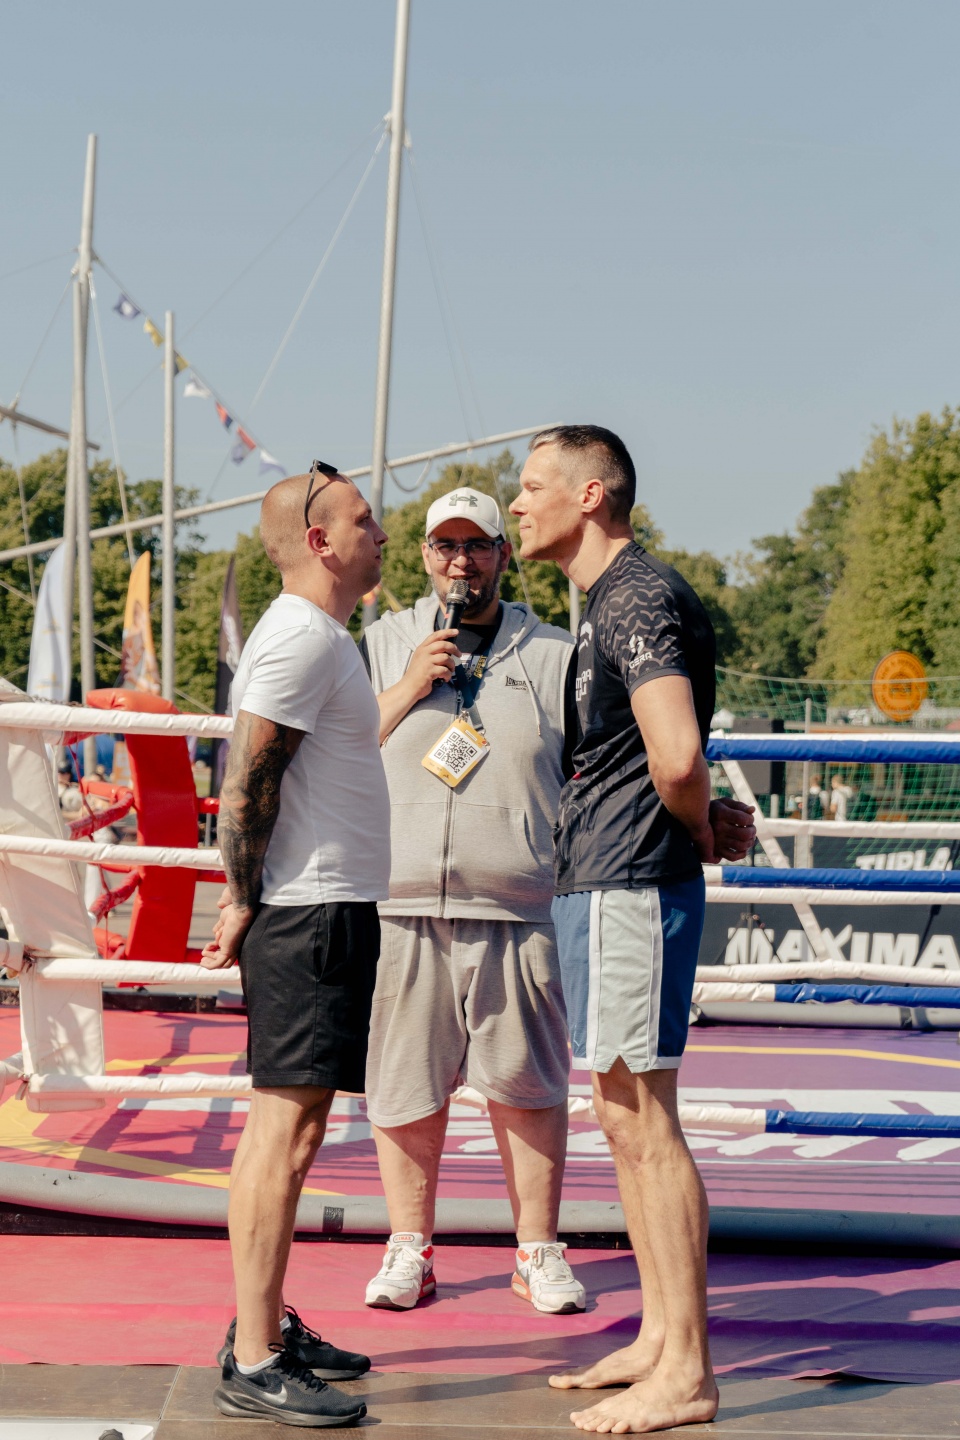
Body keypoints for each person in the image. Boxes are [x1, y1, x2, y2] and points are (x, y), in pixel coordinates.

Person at [509, 426, 756, 1435]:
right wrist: (695, 819)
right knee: (620, 1114)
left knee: (645, 1121)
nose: (516, 503)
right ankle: (660, 1339)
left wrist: (693, 826)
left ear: (591, 495)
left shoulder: (638, 597)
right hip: (604, 881)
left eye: (533, 485)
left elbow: (678, 753)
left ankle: (687, 1372)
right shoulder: (607, 602)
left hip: (630, 884)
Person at [358, 485, 585, 1315]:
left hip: (519, 906)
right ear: (424, 555)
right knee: (402, 1086)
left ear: (503, 554)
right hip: (401, 902)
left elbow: (596, 770)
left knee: (529, 1087)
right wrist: (408, 685)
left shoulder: (555, 655)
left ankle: (538, 1251)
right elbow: (339, 751)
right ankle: (409, 1248)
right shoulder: (383, 643)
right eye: (446, 545)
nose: (461, 562)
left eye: (477, 545)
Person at [201, 462, 389, 1429]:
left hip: (330, 905)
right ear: (320, 541)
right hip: (307, 912)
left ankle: (264, 1322)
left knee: (299, 1128)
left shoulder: (321, 636)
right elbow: (246, 779)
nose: (382, 532)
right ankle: (255, 1358)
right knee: (281, 1132)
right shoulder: (299, 638)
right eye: (365, 519)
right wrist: (242, 895)